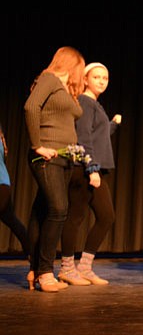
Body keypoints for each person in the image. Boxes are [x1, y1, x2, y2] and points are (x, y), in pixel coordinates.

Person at [24, 46, 85, 292]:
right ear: (70, 65)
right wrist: (37, 145)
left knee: (43, 212)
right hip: (47, 155)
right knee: (59, 209)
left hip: (64, 157)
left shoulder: (65, 89)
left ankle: (34, 269)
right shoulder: (49, 78)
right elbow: (31, 107)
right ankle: (46, 272)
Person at [58, 62, 121, 286]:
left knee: (106, 216)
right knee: (76, 216)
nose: (102, 81)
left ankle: (84, 267)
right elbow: (83, 137)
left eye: (105, 78)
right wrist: (92, 168)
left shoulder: (95, 105)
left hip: (92, 168)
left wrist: (112, 124)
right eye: (97, 77)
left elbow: (97, 135)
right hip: (84, 169)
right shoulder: (85, 101)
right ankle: (67, 267)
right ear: (85, 80)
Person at [0, 122, 29, 257]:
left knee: (12, 221)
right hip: (3, 184)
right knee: (11, 220)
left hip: (1, 185)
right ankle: (34, 258)